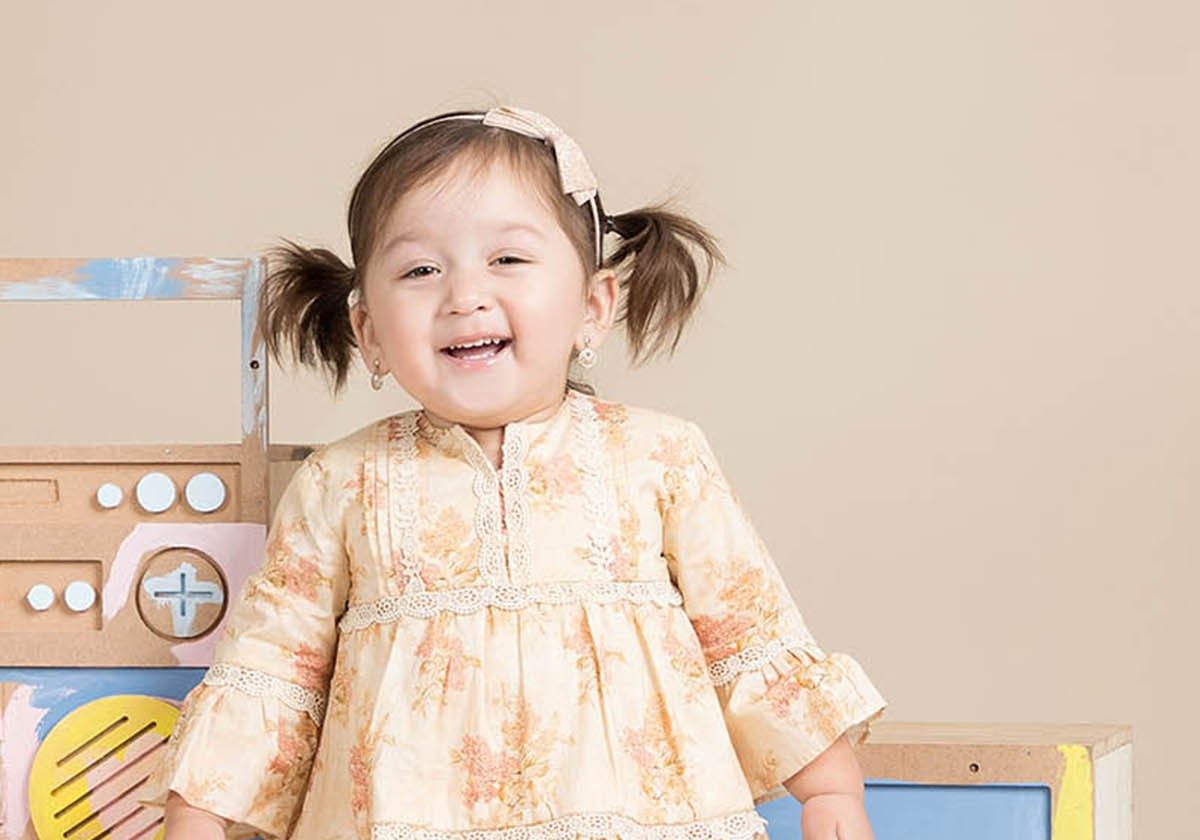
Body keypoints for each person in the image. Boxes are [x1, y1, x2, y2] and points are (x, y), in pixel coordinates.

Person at [138, 104, 887, 840]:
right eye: (421, 269)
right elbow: (276, 666)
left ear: (593, 306)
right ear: (368, 331)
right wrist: (199, 810)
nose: (464, 295)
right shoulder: (341, 482)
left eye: (508, 260)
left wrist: (829, 788)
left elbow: (748, 633)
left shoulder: (659, 456)